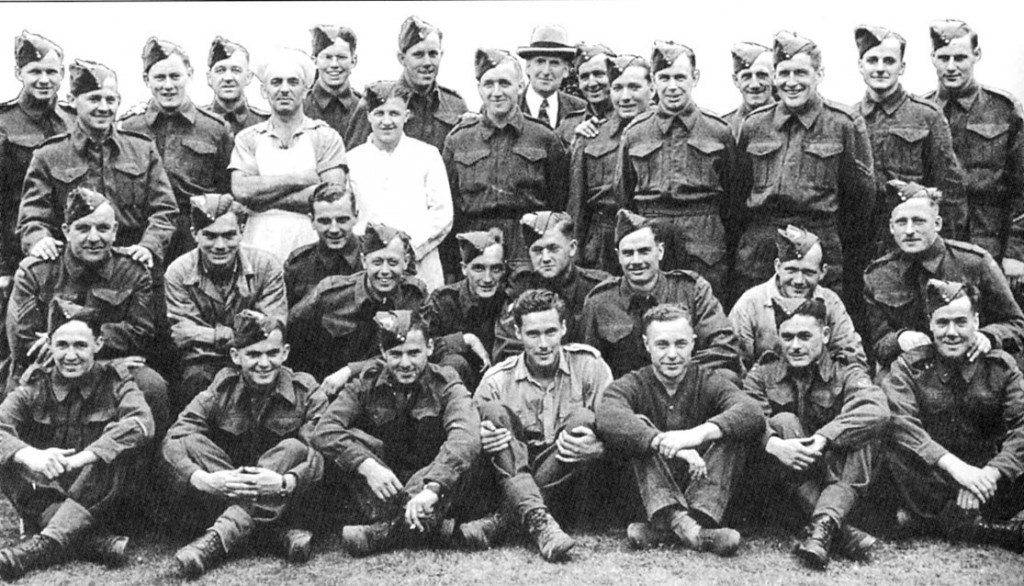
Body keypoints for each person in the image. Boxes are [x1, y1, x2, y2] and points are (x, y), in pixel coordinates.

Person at [162, 310, 326, 577]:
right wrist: (201, 478)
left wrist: (286, 482)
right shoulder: (222, 388)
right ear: (236, 357)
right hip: (231, 488)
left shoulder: (306, 390)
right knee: (190, 441)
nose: (264, 363)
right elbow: (175, 437)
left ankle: (216, 540)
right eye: (253, 354)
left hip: (289, 497)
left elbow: (319, 453)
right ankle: (272, 533)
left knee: (294, 448)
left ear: (285, 353)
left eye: (272, 353)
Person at [0, 300, 153, 580]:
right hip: (48, 489)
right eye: (62, 345)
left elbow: (141, 423)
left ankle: (40, 547)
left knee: (116, 450)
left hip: (99, 494)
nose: (70, 355)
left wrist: (83, 458)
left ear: (98, 343)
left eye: (80, 346)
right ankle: (94, 542)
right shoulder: (35, 384)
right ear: (49, 345)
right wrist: (29, 455)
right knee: (7, 455)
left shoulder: (117, 380)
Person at [596, 303, 762, 555]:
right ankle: (692, 530)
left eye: (681, 344)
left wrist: (695, 435)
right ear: (646, 344)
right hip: (650, 489)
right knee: (636, 426)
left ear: (693, 343)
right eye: (662, 344)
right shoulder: (632, 383)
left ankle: (667, 527)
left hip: (700, 482)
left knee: (732, 429)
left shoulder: (708, 380)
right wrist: (661, 441)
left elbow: (752, 412)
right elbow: (608, 415)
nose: (672, 354)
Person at [311, 310, 480, 556]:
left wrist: (433, 487)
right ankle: (430, 528)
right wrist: (367, 465)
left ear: (430, 347)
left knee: (467, 449)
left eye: (414, 353)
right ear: (382, 352)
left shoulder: (446, 382)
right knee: (352, 439)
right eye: (395, 354)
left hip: (431, 483)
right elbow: (325, 430)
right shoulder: (364, 384)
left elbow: (465, 434)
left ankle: (385, 532)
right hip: (384, 485)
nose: (405, 363)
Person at [462, 289, 612, 561]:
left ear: (564, 328)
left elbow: (614, 427)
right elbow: (465, 439)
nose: (543, 343)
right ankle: (539, 522)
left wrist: (600, 446)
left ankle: (503, 521)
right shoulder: (497, 380)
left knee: (583, 419)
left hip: (572, 489)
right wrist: (480, 438)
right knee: (493, 413)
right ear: (517, 333)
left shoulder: (590, 366)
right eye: (533, 334)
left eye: (551, 332)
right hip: (511, 478)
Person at [6, 188, 169, 433]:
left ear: (115, 231)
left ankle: (147, 469)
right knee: (17, 394)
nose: (94, 238)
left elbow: (141, 333)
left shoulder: (133, 271)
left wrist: (84, 351)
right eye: (83, 228)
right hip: (49, 369)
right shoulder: (37, 271)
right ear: (65, 231)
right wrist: (91, 348)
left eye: (102, 228)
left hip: (110, 369)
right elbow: (24, 343)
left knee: (152, 386)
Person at [743, 298, 889, 569]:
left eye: (804, 336)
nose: (795, 345)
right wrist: (775, 444)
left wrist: (825, 437)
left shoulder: (844, 369)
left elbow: (876, 409)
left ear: (825, 335)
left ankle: (823, 527)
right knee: (783, 421)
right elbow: (747, 416)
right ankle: (836, 529)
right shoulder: (763, 373)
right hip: (785, 484)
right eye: (787, 337)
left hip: (838, 473)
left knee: (866, 434)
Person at [880, 279, 1024, 552]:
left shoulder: (1001, 367)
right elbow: (903, 424)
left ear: (977, 322)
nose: (951, 332)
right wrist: (959, 471)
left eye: (961, 322)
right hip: (933, 479)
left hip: (987, 483)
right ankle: (981, 529)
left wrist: (989, 474)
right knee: (890, 446)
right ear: (930, 325)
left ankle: (939, 523)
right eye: (942, 323)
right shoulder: (910, 367)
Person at [734, 31, 875, 302]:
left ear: (819, 74)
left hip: (818, 241)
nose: (791, 82)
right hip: (762, 245)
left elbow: (861, 199)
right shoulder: (754, 124)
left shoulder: (843, 123)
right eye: (784, 73)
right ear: (774, 76)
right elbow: (737, 194)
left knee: (816, 322)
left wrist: (830, 239)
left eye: (800, 73)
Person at [18, 59, 177, 273]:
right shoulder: (49, 155)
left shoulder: (142, 150)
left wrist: (149, 246)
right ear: (72, 101)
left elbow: (164, 210)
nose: (103, 108)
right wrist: (39, 239)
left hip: (131, 266)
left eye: (110, 100)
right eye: (94, 99)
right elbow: (32, 215)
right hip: (70, 271)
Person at [863, 180, 1024, 368]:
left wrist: (988, 336)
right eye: (901, 222)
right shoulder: (879, 275)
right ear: (891, 228)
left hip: (972, 370)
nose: (909, 231)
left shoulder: (974, 263)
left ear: (937, 223)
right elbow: (877, 343)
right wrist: (899, 339)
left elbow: (1017, 324)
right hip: (914, 375)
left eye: (918, 221)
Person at [618, 41, 736, 296]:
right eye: (664, 78)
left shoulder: (718, 131)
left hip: (704, 238)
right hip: (652, 230)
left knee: (705, 305)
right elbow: (624, 196)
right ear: (653, 81)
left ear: (695, 78)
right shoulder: (635, 133)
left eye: (680, 77)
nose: (672, 87)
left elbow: (734, 200)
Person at [443, 48, 568, 272]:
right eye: (489, 84)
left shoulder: (544, 137)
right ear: (479, 89)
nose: (496, 92)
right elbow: (450, 206)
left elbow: (560, 201)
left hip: (527, 247)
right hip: (476, 244)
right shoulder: (459, 139)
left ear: (520, 86)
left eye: (505, 83)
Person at [579, 209, 741, 380]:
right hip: (628, 398)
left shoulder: (692, 290)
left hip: (685, 389)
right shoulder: (599, 302)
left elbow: (724, 347)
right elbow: (586, 364)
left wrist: (672, 374)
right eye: (628, 253)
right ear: (618, 256)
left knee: (727, 377)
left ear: (660, 251)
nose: (636, 261)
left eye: (644, 251)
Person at [923, 20, 1024, 290]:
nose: (952, 66)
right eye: (943, 58)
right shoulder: (922, 112)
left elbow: (1022, 187)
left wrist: (1016, 252)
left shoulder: (1004, 110)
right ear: (933, 58)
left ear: (976, 56)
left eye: (960, 57)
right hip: (938, 242)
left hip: (993, 240)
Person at [164, 194, 287, 406]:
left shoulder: (266, 267)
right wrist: (244, 333)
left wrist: (210, 335)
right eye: (210, 236)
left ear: (241, 232)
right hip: (203, 364)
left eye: (229, 235)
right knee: (196, 380)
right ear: (195, 234)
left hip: (258, 358)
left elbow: (272, 328)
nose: (220, 245)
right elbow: (183, 334)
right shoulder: (178, 272)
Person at [119, 37, 233, 262]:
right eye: (159, 77)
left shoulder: (215, 128)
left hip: (195, 234)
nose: (168, 85)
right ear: (146, 79)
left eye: (175, 76)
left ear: (189, 74)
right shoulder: (130, 127)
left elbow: (227, 190)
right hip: (142, 235)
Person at [230, 47, 348, 264]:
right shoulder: (249, 138)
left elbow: (330, 197)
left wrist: (260, 201)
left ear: (305, 90)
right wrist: (301, 179)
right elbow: (241, 189)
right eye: (276, 82)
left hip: (311, 243)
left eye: (293, 82)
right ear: (264, 91)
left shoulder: (325, 136)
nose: (284, 89)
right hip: (258, 244)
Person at [854, 25, 963, 258]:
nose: (880, 68)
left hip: (912, 241)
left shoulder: (927, 116)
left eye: (889, 61)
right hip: (861, 241)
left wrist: (946, 253)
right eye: (872, 60)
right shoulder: (848, 119)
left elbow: (950, 191)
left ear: (901, 67)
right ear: (860, 66)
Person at [348, 81, 453, 291]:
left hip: (420, 264)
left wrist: (409, 250)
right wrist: (370, 249)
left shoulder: (427, 155)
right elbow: (348, 215)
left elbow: (443, 214)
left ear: (407, 115)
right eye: (379, 113)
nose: (387, 121)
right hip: (371, 267)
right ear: (368, 115)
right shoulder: (352, 160)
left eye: (394, 113)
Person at [289, 222, 427, 380]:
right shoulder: (331, 294)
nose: (385, 271)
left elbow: (422, 350)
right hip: (333, 386)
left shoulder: (414, 295)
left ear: (406, 262)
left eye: (393, 262)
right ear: (363, 261)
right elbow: (292, 332)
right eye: (377, 262)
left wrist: (350, 370)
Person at [729, 225, 864, 368]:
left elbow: (853, 358)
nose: (799, 281)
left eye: (808, 272)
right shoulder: (750, 304)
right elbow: (735, 364)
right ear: (777, 266)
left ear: (823, 272)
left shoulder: (831, 303)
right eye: (791, 270)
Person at [0, 31, 75, 290]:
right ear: (18, 73)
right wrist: (3, 265)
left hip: (74, 249)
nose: (44, 80)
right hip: (18, 251)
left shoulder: (74, 120)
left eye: (51, 72)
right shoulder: (4, 123)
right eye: (35, 72)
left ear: (62, 74)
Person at [567, 55, 652, 272]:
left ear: (651, 88)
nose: (625, 97)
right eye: (617, 88)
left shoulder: (664, 134)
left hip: (649, 236)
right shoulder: (591, 135)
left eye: (634, 87)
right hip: (602, 244)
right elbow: (577, 205)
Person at [492, 211, 610, 361]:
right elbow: (506, 350)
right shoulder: (521, 288)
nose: (545, 258)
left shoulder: (597, 287)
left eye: (553, 249)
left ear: (572, 248)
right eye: (537, 251)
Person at [346, 16, 468, 154]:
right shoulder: (376, 100)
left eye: (433, 54)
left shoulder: (455, 105)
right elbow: (354, 157)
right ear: (402, 58)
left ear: (441, 55)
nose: (427, 62)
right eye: (418, 55)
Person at [421, 229, 508, 387]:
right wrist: (465, 340)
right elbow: (422, 347)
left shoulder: (508, 300)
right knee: (454, 363)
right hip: (456, 386)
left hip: (500, 386)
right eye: (479, 268)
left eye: (495, 269)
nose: (487, 279)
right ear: (464, 268)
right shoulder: (444, 300)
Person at [283, 182, 360, 307]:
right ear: (312, 221)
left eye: (342, 220)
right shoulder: (298, 265)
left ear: (356, 217)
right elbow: (288, 318)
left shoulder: (375, 257)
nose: (334, 229)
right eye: (324, 221)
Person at [516, 25, 586, 129]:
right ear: (528, 67)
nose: (546, 71)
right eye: (540, 62)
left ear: (565, 70)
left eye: (554, 63)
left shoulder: (580, 109)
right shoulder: (509, 106)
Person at [304, 25, 362, 139]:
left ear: (354, 61)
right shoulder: (300, 107)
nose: (334, 64)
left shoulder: (364, 109)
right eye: (327, 57)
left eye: (341, 57)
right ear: (315, 61)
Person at [203, 36, 268, 135]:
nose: (228, 78)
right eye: (220, 70)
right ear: (209, 78)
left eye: (236, 70)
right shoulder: (195, 122)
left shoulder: (266, 124)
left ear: (248, 77)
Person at [554, 44, 615, 146]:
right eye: (584, 77)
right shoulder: (568, 126)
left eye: (598, 74)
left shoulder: (630, 118)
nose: (592, 84)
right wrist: (575, 142)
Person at [722, 42, 774, 137]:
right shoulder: (724, 127)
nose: (755, 85)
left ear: (774, 77)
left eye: (762, 75)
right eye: (746, 76)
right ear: (736, 80)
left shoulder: (791, 121)